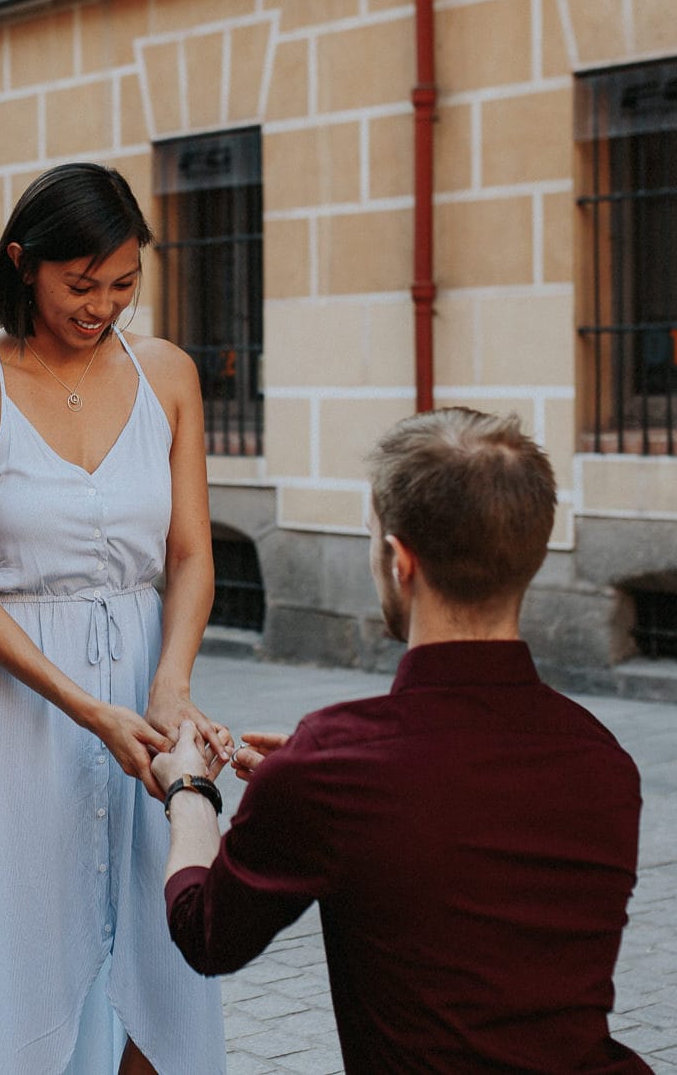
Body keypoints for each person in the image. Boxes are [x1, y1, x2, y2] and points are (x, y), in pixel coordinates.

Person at [152, 408, 651, 1074]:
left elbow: (205, 931)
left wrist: (189, 788)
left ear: (399, 560)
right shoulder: (604, 760)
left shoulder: (332, 766)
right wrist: (316, 774)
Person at [0, 162, 230, 1075]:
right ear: (24, 262)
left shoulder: (166, 373)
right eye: (80, 284)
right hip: (21, 702)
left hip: (144, 679)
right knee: (28, 935)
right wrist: (87, 709)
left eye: (124, 284)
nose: (103, 306)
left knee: (159, 940)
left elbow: (194, 551)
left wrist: (170, 680)